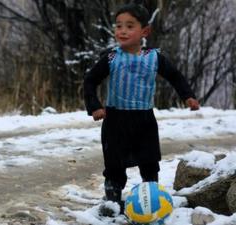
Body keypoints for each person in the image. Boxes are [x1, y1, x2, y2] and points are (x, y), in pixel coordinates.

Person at [83, 3, 200, 217]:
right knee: (114, 163)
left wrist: (188, 96)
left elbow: (175, 76)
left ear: (144, 31)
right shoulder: (111, 58)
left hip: (144, 119)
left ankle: (152, 197)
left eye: (129, 26)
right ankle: (112, 200)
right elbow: (90, 80)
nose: (122, 31)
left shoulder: (154, 58)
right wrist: (95, 106)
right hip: (115, 120)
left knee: (149, 161)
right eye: (118, 26)